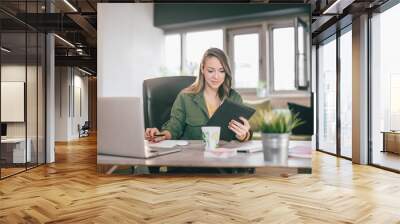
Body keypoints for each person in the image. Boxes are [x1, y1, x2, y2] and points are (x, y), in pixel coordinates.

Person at [145, 48, 252, 143]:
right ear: (202, 69)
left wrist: (244, 135)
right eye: (210, 71)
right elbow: (174, 128)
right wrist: (160, 135)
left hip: (225, 160)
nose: (216, 76)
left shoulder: (234, 98)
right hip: (193, 159)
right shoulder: (185, 97)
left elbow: (245, 132)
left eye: (221, 71)